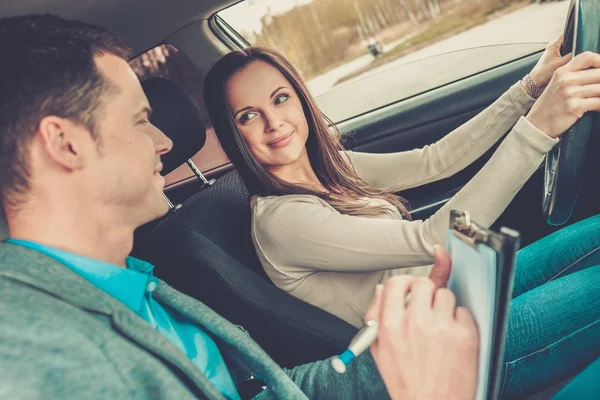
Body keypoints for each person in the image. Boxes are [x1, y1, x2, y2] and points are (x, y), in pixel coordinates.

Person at [0, 14, 482, 400]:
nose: (164, 141)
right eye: (140, 120)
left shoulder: (137, 283)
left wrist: (387, 369)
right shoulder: (40, 359)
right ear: (66, 144)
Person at [203, 45, 600, 398]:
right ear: (232, 134)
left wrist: (530, 88)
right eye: (249, 115)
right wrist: (540, 128)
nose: (274, 122)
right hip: (446, 354)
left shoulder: (331, 168)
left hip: (455, 296)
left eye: (280, 98)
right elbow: (433, 238)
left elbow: (437, 160)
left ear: (300, 98)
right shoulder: (281, 219)